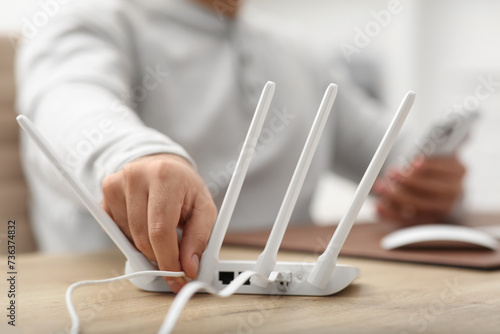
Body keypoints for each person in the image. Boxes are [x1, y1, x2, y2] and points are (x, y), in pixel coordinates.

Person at [16, 0, 465, 292]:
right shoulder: (92, 23)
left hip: (299, 298)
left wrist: (433, 182)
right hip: (137, 304)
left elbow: (390, 156)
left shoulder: (298, 49)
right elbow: (67, 103)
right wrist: (134, 154)